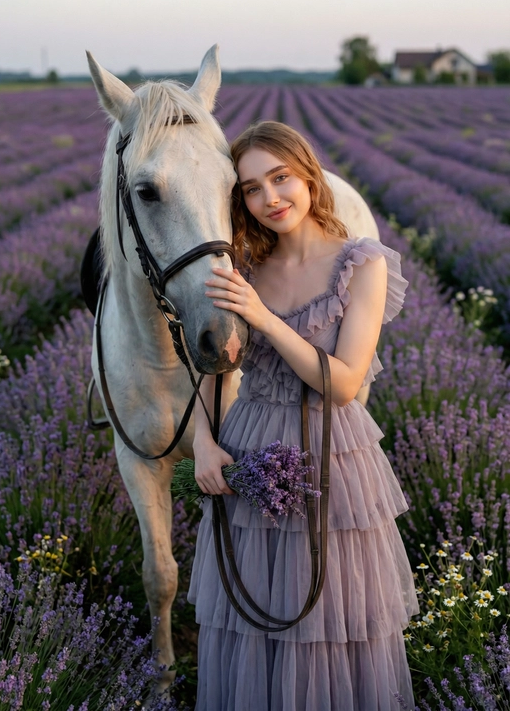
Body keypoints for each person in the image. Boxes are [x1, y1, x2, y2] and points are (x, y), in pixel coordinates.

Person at [188, 121, 419, 711]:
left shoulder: (360, 264)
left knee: (329, 616)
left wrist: (264, 319)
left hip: (329, 453)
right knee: (249, 613)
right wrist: (203, 443)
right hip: (249, 449)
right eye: (251, 188)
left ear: (309, 176)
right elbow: (211, 372)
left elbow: (343, 384)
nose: (270, 198)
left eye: (281, 178)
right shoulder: (242, 268)